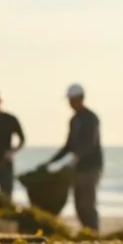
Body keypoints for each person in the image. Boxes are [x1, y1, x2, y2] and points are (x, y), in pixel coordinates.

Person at [45, 83, 103, 232]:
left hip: (91, 167)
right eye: (69, 100)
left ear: (81, 98)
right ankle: (86, 231)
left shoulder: (91, 118)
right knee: (78, 205)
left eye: (73, 99)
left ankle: (94, 233)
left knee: (87, 204)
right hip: (78, 168)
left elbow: (91, 142)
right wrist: (50, 162)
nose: (71, 103)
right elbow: (68, 145)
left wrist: (78, 156)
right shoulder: (74, 120)